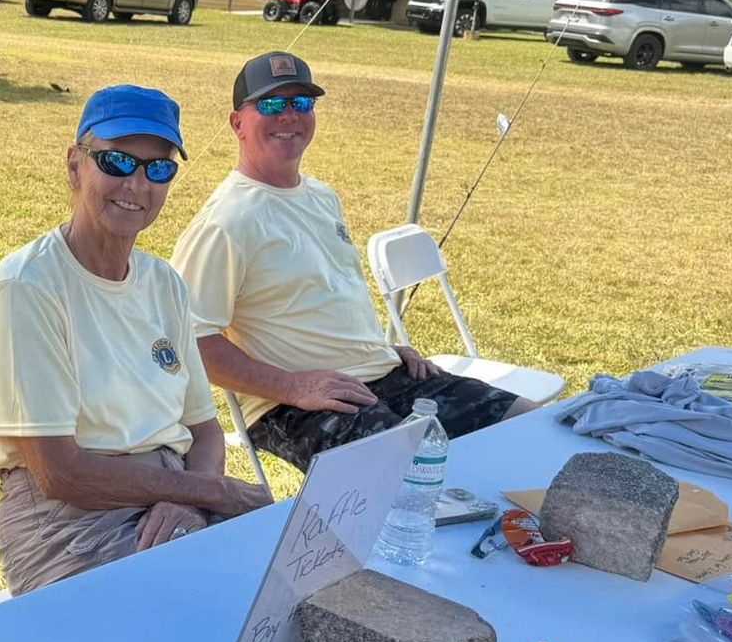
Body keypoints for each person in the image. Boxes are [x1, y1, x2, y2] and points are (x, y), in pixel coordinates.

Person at [171, 51, 534, 474]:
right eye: (271, 104)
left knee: (525, 424)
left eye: (301, 103)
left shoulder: (322, 196)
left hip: (384, 375)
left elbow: (325, 299)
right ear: (237, 123)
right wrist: (293, 386)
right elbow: (192, 341)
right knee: (417, 471)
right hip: (293, 404)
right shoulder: (226, 222)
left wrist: (386, 350)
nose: (289, 115)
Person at [0, 85, 272, 595]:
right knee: (209, 604)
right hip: (70, 520)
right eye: (116, 161)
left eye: (159, 168)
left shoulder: (163, 284)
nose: (136, 183)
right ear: (74, 166)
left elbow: (205, 432)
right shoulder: (28, 288)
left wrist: (188, 501)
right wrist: (207, 491)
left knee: (297, 569)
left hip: (170, 495)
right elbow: (60, 474)